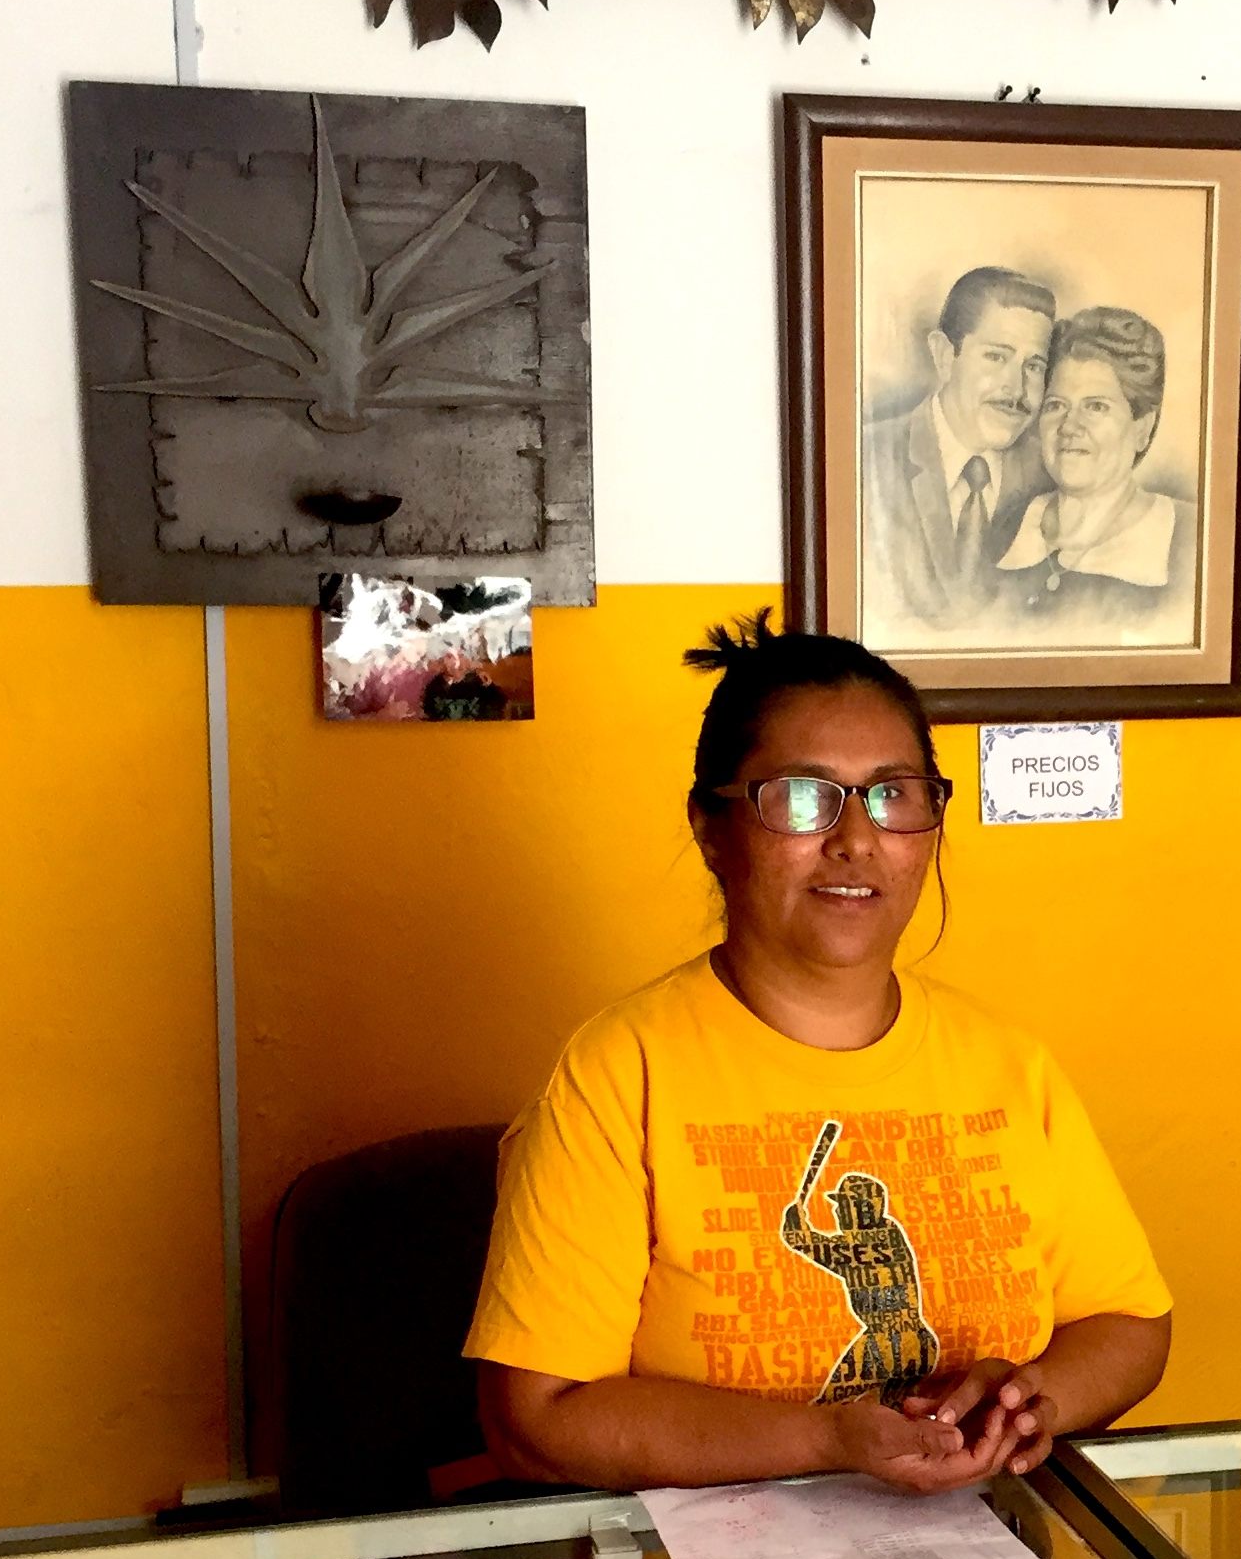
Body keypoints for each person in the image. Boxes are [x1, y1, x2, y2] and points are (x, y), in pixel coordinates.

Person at [469, 613, 1173, 1496]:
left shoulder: (1006, 1064)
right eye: (802, 796)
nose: (854, 837)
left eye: (893, 794)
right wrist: (825, 1439)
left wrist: (1033, 1401)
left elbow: (1130, 1321)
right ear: (710, 828)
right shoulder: (620, 1072)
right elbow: (538, 1418)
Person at [861, 266, 1056, 640]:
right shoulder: (867, 462)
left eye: (1034, 366)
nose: (1016, 388)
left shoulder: (1051, 473)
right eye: (997, 357)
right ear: (944, 355)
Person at [994, 306, 1198, 643]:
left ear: (1141, 429)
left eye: (1096, 406)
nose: (1070, 427)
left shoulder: (1190, 539)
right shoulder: (1003, 528)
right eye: (1056, 405)